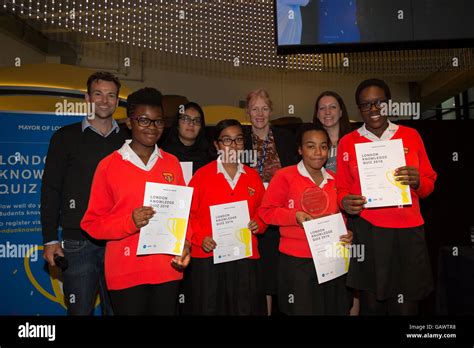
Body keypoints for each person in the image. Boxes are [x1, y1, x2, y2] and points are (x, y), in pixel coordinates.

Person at [80, 87, 191, 315]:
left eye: (158, 122)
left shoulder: (172, 163)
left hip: (167, 270)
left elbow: (183, 214)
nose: (152, 128)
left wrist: (185, 244)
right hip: (126, 272)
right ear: (129, 122)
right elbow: (91, 224)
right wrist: (129, 222)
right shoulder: (109, 166)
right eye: (144, 120)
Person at [337, 78, 437, 315]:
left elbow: (430, 182)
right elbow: (341, 188)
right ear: (358, 108)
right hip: (369, 232)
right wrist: (344, 202)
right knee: (372, 307)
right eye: (366, 104)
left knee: (407, 307)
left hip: (408, 231)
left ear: (389, 104)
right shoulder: (347, 142)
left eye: (379, 102)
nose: (373, 109)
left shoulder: (411, 135)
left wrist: (419, 181)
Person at [41, 71, 127, 315]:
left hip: (118, 242)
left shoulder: (128, 141)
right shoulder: (64, 138)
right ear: (87, 98)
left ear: (117, 101)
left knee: (118, 311)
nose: (104, 100)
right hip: (78, 242)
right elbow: (50, 190)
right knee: (79, 312)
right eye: (98, 94)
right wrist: (50, 240)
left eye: (111, 95)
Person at [259, 123, 353, 315]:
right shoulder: (285, 176)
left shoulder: (335, 180)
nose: (318, 152)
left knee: (334, 309)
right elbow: (266, 212)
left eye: (323, 146)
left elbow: (342, 217)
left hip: (332, 259)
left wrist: (347, 233)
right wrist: (294, 216)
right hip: (297, 264)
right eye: (311, 146)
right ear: (300, 149)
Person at [186, 119, 267, 315]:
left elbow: (263, 210)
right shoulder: (201, 176)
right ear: (216, 145)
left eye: (238, 139)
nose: (233, 145)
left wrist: (260, 223)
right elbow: (188, 216)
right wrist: (199, 239)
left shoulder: (253, 177)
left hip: (244, 259)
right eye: (227, 140)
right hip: (209, 259)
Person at [244, 88, 298, 315]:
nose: (260, 114)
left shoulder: (286, 138)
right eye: (255, 109)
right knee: (262, 273)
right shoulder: (241, 139)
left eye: (264, 108)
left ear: (271, 111)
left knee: (284, 270)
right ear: (247, 112)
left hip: (282, 213)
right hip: (252, 214)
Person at [161, 101, 211, 174]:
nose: (191, 124)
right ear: (177, 124)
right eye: (186, 119)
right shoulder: (163, 155)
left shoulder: (209, 156)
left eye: (197, 121)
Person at [312, 91, 352, 173]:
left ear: (341, 112)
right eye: (322, 108)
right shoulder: (309, 144)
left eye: (333, 107)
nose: (327, 112)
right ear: (317, 114)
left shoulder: (354, 140)